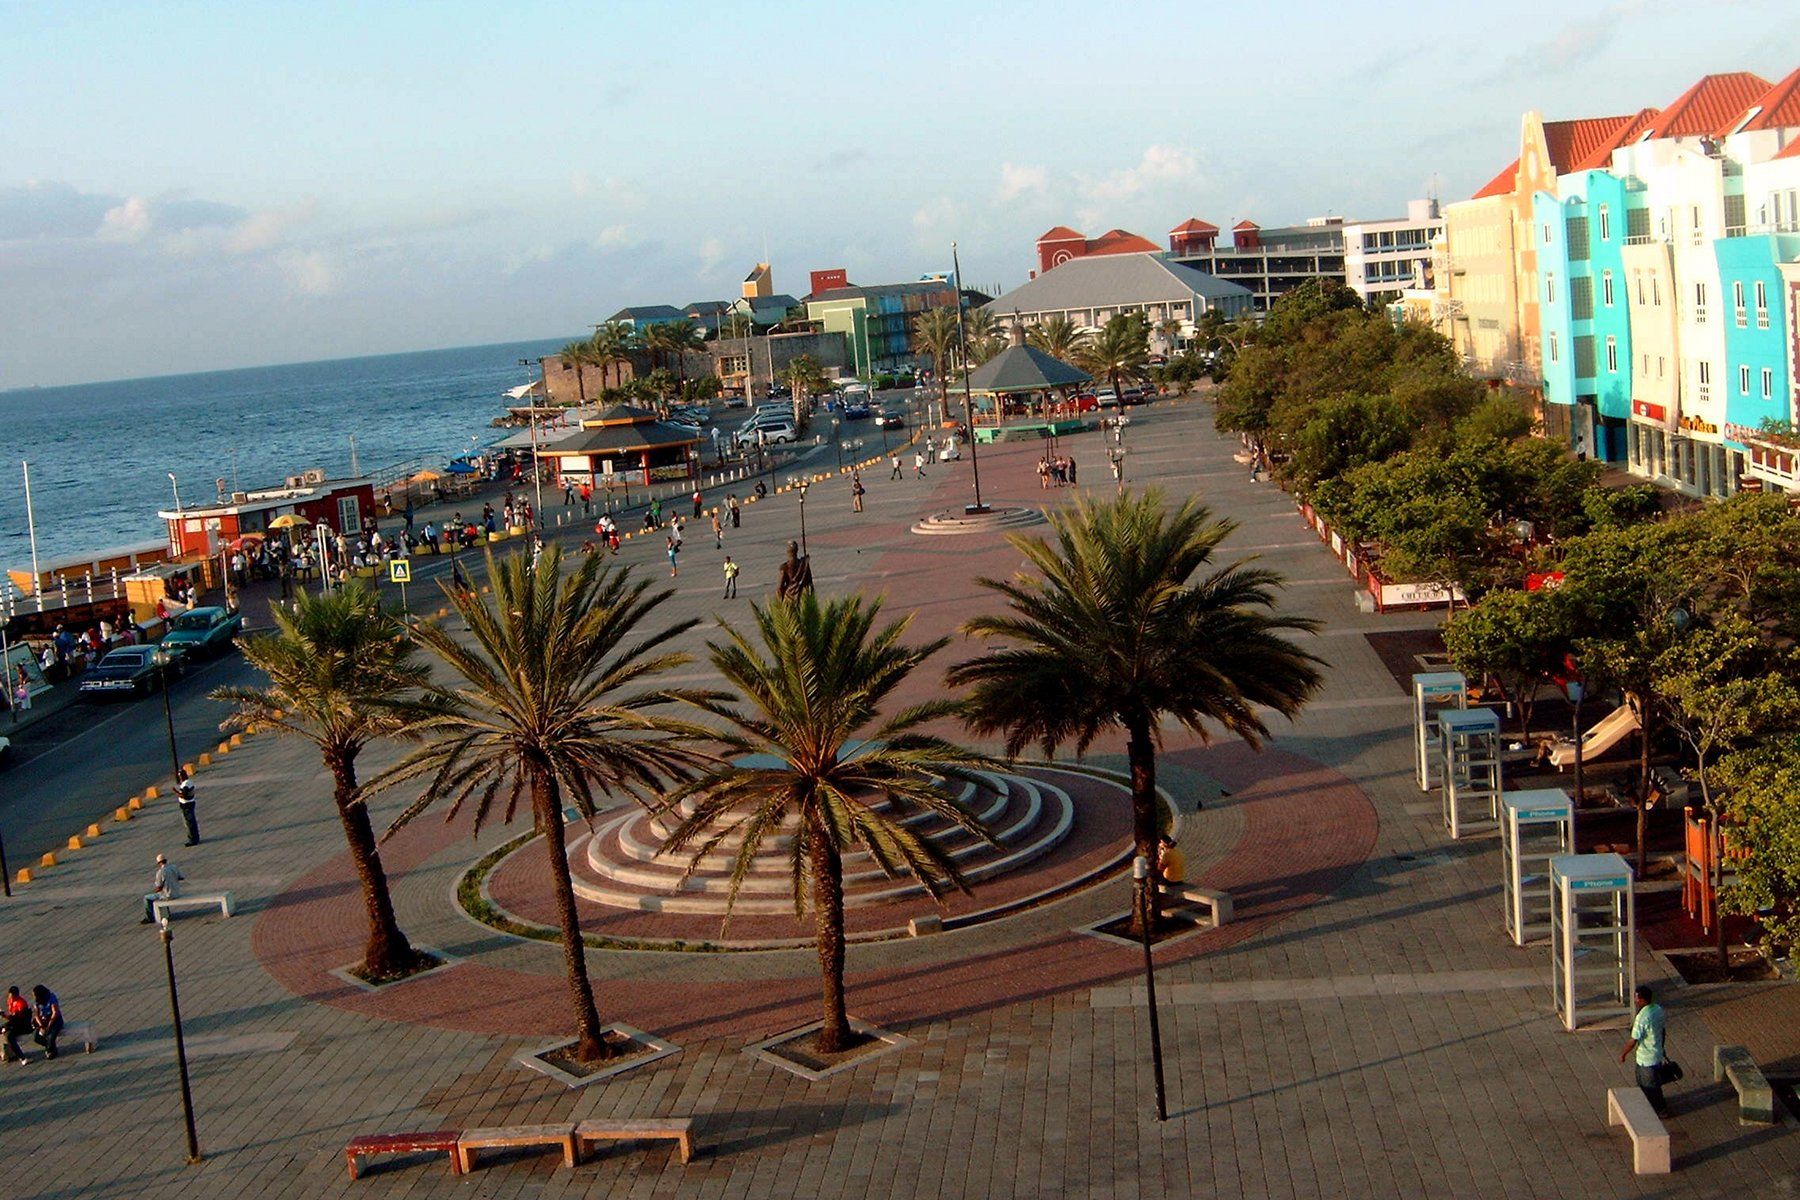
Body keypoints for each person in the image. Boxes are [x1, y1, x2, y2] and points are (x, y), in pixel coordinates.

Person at [1621, 984, 1670, 1115]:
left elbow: (1633, 1040)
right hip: (1657, 1054)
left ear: (1642, 1000)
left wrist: (1623, 1054)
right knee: (1652, 1084)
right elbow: (1662, 1031)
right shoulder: (1658, 1009)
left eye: (1637, 998)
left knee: (1650, 1086)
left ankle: (1660, 1110)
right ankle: (1655, 1106)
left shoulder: (1642, 1018)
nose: (1635, 1001)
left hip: (1646, 1059)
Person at [142, 853, 183, 924]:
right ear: (166, 860)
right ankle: (166, 913)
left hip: (168, 895)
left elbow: (159, 887)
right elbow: (181, 877)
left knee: (147, 898)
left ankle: (150, 918)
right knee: (162, 894)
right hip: (177, 893)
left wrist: (154, 891)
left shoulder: (160, 872)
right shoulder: (174, 867)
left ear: (158, 863)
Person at [29, 986, 61, 1061]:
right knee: (37, 1038)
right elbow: (36, 1015)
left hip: (55, 1020)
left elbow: (55, 1013)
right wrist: (41, 1026)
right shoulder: (37, 1001)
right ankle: (50, 1047)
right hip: (44, 1020)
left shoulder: (51, 998)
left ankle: (50, 1050)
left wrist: (49, 1026)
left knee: (51, 1036)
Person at [2, 987, 29, 1062]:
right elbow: (12, 1017)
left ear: (17, 995)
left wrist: (8, 1027)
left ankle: (22, 1057)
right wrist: (4, 1015)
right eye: (9, 996)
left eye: (12, 997)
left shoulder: (21, 1004)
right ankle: (5, 1053)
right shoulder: (10, 1001)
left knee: (10, 1036)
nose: (11, 999)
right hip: (14, 1022)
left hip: (21, 1024)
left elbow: (19, 1019)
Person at [175, 771, 200, 846]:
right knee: (192, 821)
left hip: (186, 805)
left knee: (189, 823)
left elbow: (183, 795)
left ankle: (192, 840)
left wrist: (175, 791)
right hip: (191, 802)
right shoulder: (190, 782)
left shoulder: (185, 785)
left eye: (180, 776)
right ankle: (196, 837)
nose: (180, 778)